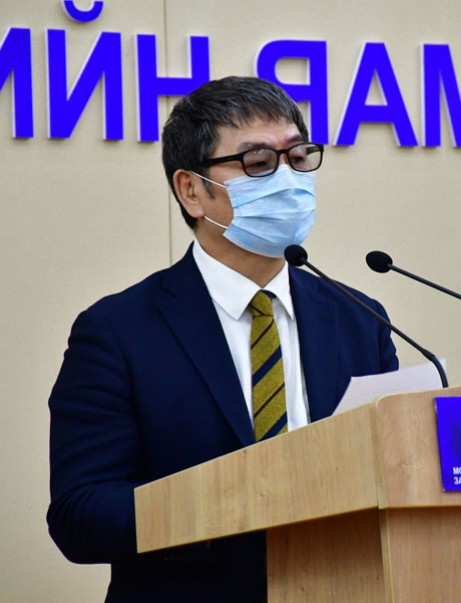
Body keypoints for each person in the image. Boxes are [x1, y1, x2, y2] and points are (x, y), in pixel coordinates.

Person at [47, 76, 398, 602]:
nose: (287, 178)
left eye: (297, 157)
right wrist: (238, 500)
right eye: (258, 162)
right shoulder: (119, 331)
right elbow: (82, 516)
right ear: (191, 191)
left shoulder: (359, 319)